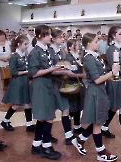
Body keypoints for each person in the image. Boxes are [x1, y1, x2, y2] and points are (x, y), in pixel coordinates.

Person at [78, 33, 119, 161]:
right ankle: (100, 152)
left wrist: (110, 77)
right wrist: (112, 72)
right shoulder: (89, 57)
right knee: (98, 123)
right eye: (96, 41)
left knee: (98, 120)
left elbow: (101, 75)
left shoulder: (94, 56)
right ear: (88, 43)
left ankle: (80, 139)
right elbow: (96, 79)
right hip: (95, 91)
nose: (98, 43)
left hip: (100, 90)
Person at [29, 25, 64, 159]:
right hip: (40, 85)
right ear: (39, 36)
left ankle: (36, 145)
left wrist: (60, 69)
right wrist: (52, 69)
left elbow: (50, 67)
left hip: (48, 84)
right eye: (48, 34)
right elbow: (34, 72)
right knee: (48, 116)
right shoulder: (35, 52)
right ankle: (46, 146)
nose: (50, 36)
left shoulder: (47, 50)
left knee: (44, 117)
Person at [49, 29, 85, 155]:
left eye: (63, 37)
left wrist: (65, 70)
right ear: (53, 39)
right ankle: (44, 137)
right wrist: (64, 72)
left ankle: (68, 135)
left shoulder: (60, 52)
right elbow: (51, 69)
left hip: (60, 82)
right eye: (60, 37)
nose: (62, 39)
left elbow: (61, 65)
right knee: (50, 113)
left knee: (65, 109)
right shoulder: (51, 51)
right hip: (52, 83)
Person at [1, 35, 35, 132]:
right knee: (17, 104)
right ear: (19, 44)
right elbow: (13, 72)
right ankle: (5, 120)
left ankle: (29, 124)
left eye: (27, 44)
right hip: (18, 82)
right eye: (25, 44)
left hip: (24, 81)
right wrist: (25, 71)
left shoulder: (24, 55)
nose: (27, 46)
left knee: (28, 103)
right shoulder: (14, 57)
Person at [65, 39, 86, 134]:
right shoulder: (69, 58)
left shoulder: (77, 57)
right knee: (72, 107)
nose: (78, 46)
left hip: (79, 83)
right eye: (76, 45)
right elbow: (69, 74)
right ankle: (68, 128)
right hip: (72, 84)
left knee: (78, 105)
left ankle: (77, 126)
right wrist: (82, 75)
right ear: (70, 47)